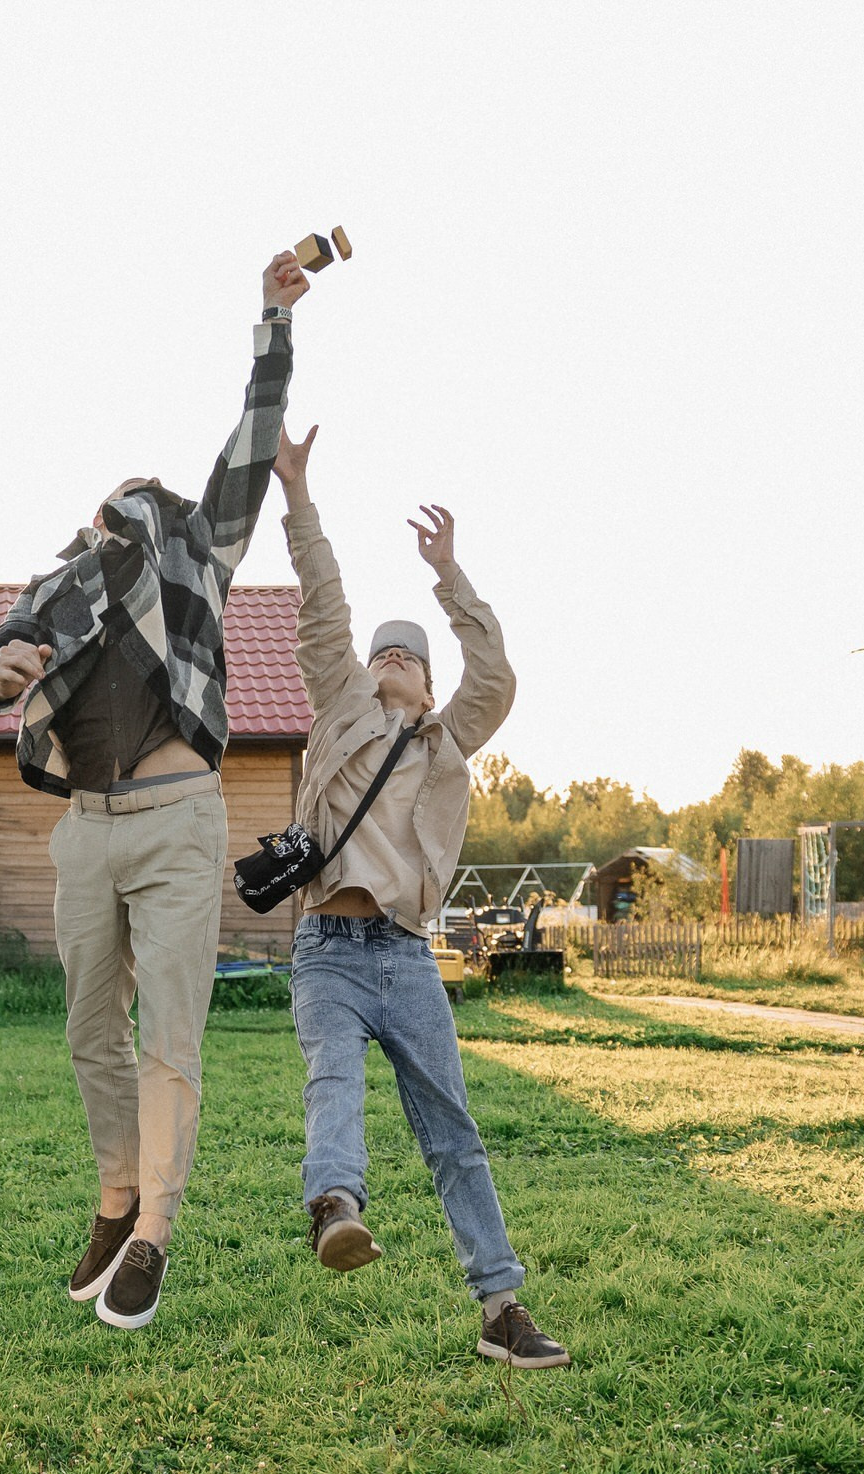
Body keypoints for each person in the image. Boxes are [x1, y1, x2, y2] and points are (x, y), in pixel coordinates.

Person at [0, 252, 304, 1330]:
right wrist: (3, 675)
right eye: (120, 505)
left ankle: (155, 1222)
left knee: (171, 1032)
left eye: (147, 502)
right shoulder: (54, 581)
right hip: (84, 828)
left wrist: (272, 323)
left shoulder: (199, 553)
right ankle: (114, 1191)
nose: (136, 508)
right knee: (85, 1028)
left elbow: (248, 438)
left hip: (175, 821)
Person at [270, 425, 569, 1369]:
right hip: (327, 947)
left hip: (405, 956)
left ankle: (502, 1311)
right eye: (383, 651)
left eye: (411, 654)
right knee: (334, 1081)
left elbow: (500, 676)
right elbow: (323, 605)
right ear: (365, 670)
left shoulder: (446, 745)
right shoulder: (340, 713)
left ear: (430, 682)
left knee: (454, 1132)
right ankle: (336, 1206)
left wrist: (449, 576)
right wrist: (299, 494)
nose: (394, 656)